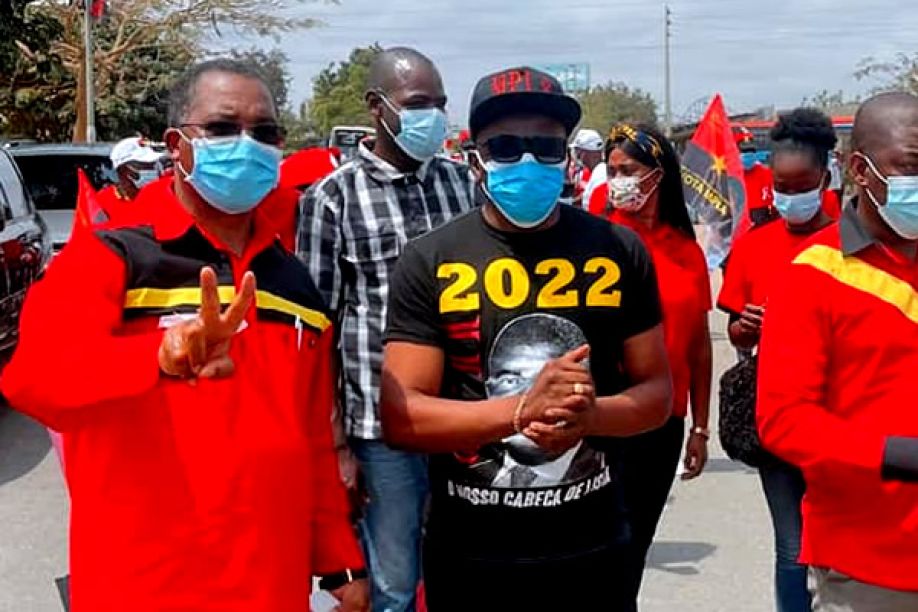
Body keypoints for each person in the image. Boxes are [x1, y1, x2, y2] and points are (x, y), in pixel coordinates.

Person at [0, 59, 368, 612]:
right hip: (142, 582)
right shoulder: (113, 256)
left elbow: (311, 438)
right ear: (177, 145)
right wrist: (157, 357)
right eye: (222, 127)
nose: (247, 144)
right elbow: (32, 382)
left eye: (264, 132)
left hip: (270, 581)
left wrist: (341, 561)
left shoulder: (293, 283)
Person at [380, 66, 672, 611]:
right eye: (506, 147)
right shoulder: (430, 259)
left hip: (593, 547)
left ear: (567, 158)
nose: (529, 160)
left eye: (546, 146)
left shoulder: (618, 251)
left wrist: (591, 418)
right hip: (471, 555)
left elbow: (657, 394)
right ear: (475, 159)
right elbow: (403, 417)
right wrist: (519, 412)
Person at [297, 47, 475, 612]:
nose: (434, 117)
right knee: (394, 583)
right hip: (381, 431)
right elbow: (318, 332)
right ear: (377, 107)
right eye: (419, 104)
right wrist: (336, 445)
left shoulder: (463, 185)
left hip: (464, 420)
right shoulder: (332, 198)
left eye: (440, 104)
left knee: (462, 568)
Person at [758, 92, 918, 612]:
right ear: (860, 170)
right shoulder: (813, 274)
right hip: (869, 564)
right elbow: (783, 420)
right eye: (912, 166)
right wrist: (899, 454)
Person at [718, 107, 838, 612]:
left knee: (842, 541)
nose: (790, 197)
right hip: (778, 413)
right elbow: (734, 331)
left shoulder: (854, 242)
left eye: (801, 186)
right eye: (781, 188)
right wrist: (745, 327)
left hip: (845, 411)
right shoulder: (756, 245)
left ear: (826, 178)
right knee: (792, 546)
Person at [593, 122, 713, 601]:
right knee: (601, 547)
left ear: (658, 175)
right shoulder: (597, 240)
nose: (617, 180)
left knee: (635, 544)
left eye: (628, 170)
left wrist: (700, 427)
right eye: (612, 170)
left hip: (665, 422)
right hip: (603, 417)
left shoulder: (686, 252)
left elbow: (699, 345)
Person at [97, 136, 164, 218]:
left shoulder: (163, 198)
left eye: (153, 164)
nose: (151, 169)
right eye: (143, 165)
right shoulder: (103, 202)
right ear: (123, 170)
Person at [571, 128, 606, 207]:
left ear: (584, 152)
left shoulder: (601, 174)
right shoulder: (598, 171)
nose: (577, 155)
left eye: (577, 151)